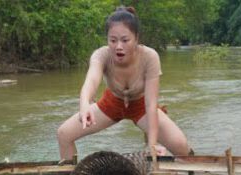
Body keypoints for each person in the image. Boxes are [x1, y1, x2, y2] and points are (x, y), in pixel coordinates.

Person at [56, 6, 191, 162]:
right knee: (63, 134)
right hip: (111, 103)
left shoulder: (149, 57)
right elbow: (91, 81)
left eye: (125, 40)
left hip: (141, 106)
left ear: (136, 39)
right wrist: (84, 104)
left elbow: (151, 103)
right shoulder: (101, 55)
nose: (118, 46)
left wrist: (152, 144)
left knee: (181, 146)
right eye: (113, 40)